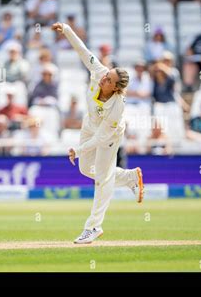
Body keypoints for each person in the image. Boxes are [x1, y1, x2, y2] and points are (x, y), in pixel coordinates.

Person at [51, 20, 145, 244]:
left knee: (102, 179)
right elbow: (84, 52)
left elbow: (102, 137)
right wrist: (67, 30)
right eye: (107, 75)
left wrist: (78, 148)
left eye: (109, 79)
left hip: (109, 137)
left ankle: (93, 227)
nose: (104, 78)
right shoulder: (99, 71)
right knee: (86, 169)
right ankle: (129, 177)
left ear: (116, 88)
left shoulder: (118, 105)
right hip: (89, 125)